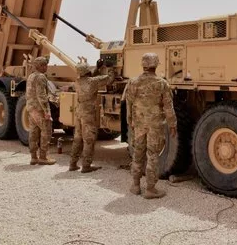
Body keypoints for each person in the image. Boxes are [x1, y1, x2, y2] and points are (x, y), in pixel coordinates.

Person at [124, 52, 177, 199]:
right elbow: (168, 107)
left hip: (139, 124)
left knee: (138, 153)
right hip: (155, 125)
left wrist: (130, 121)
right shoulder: (162, 84)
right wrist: (172, 124)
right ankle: (150, 189)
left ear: (143, 65)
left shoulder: (133, 82)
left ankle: (135, 185)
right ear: (156, 65)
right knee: (152, 155)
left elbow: (129, 103)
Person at [69, 58, 115, 173]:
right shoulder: (92, 82)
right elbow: (109, 79)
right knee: (89, 139)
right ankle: (86, 165)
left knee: (78, 138)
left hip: (79, 112)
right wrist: (110, 68)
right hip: (88, 113)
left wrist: (97, 68)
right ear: (87, 71)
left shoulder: (77, 82)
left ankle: (73, 164)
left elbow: (90, 78)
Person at [26, 56, 56, 165]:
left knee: (33, 132)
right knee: (46, 131)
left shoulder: (31, 76)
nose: (46, 67)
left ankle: (33, 157)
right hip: (39, 109)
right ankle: (43, 157)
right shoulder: (41, 77)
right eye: (45, 65)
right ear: (41, 66)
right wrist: (47, 111)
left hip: (31, 108)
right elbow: (41, 95)